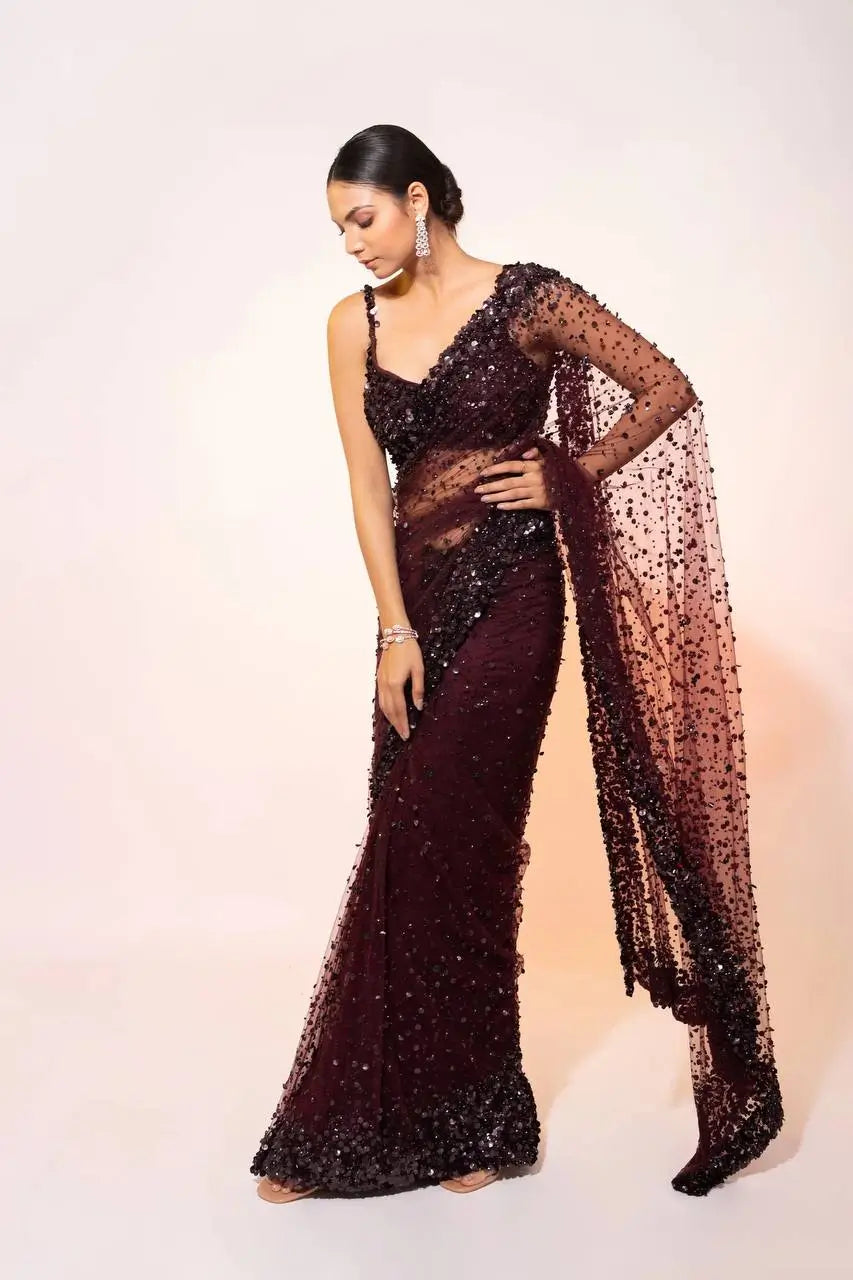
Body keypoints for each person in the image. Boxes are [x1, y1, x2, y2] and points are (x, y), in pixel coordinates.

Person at [250, 124, 784, 1203]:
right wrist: (392, 630)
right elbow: (366, 487)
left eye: (361, 218)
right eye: (338, 228)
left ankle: (478, 1118)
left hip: (513, 596)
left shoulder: (529, 299)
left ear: (415, 199)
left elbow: (664, 386)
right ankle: (377, 1111)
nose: (350, 243)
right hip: (416, 604)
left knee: (463, 840)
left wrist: (568, 471)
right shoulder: (350, 324)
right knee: (405, 837)